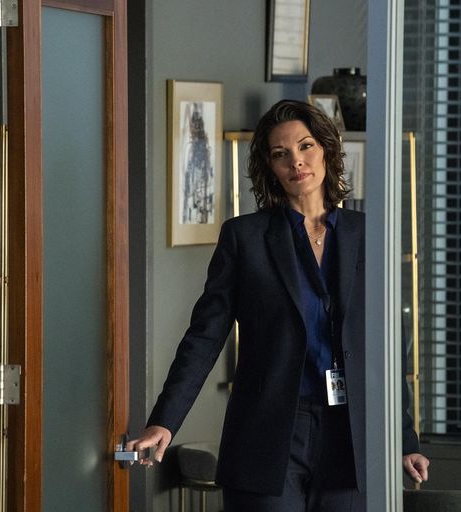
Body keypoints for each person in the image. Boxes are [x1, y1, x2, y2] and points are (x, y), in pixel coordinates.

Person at [127, 99, 429, 511]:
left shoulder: (369, 234)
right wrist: (165, 420)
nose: (296, 162)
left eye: (305, 147)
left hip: (351, 433)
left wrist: (404, 440)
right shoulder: (244, 238)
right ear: (269, 167)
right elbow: (205, 336)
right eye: (280, 153)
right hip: (268, 434)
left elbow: (390, 347)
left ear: (326, 150)